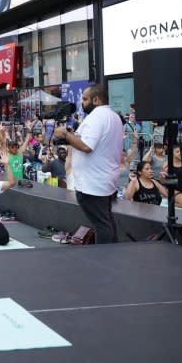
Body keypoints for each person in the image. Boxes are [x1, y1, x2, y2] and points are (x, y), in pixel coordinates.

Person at [52, 85, 123, 244]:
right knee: (107, 221)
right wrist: (71, 136)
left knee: (101, 224)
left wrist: (65, 133)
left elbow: (86, 146)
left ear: (96, 100)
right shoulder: (113, 116)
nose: (82, 102)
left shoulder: (97, 117)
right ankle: (114, 256)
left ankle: (104, 260)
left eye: (85, 99)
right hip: (104, 180)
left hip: (93, 185)